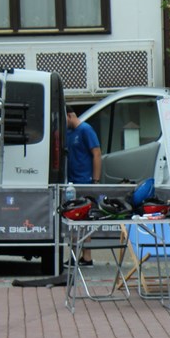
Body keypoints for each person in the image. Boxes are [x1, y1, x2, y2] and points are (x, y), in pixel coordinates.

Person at [66, 106, 102, 265]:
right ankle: (78, 256)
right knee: (75, 219)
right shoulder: (69, 133)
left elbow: (97, 153)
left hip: (85, 181)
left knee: (84, 219)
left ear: (69, 116)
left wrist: (95, 180)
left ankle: (85, 256)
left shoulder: (86, 130)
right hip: (72, 182)